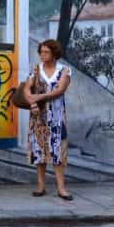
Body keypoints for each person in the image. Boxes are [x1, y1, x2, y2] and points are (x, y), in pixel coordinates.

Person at [23, 39, 73, 201]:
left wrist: (40, 96)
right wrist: (32, 101)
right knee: (39, 151)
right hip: (39, 117)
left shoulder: (64, 71)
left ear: (54, 54)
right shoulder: (36, 70)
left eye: (46, 52)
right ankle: (41, 186)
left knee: (59, 152)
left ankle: (61, 188)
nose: (42, 55)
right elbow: (26, 88)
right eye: (41, 52)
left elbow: (59, 90)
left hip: (57, 118)